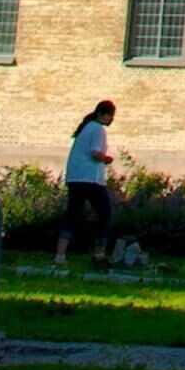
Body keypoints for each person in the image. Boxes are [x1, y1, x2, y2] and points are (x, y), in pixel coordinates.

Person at [61, 101, 118, 268]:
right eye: (110, 116)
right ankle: (99, 254)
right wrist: (107, 159)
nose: (110, 120)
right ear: (103, 114)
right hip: (90, 179)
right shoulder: (98, 129)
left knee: (71, 216)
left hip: (75, 177)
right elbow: (95, 152)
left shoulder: (85, 128)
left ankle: (60, 255)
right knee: (105, 215)